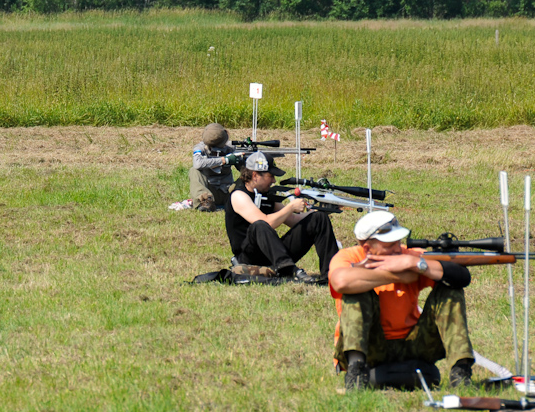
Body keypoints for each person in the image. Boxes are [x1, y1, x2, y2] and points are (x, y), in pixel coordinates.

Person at [328, 210, 475, 391]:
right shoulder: (349, 257)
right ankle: (356, 372)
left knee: (449, 289)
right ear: (367, 248)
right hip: (371, 346)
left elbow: (461, 277)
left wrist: (416, 265)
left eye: (398, 241)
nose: (397, 248)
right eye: (389, 245)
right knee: (356, 291)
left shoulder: (408, 257)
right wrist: (395, 275)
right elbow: (341, 281)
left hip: (413, 344)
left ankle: (461, 373)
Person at [224, 151, 339, 283]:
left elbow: (294, 220)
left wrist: (316, 212)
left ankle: (332, 274)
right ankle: (289, 270)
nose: (273, 181)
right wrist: (290, 208)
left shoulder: (266, 195)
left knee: (319, 219)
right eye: (270, 176)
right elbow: (266, 222)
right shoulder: (239, 195)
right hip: (249, 258)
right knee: (259, 225)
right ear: (255, 175)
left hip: (273, 254)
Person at [188, 123, 242, 211]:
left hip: (229, 191)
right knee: (194, 170)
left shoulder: (231, 148)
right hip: (209, 193)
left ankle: (248, 199)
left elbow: (244, 170)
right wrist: (224, 160)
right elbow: (197, 164)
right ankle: (205, 203)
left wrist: (242, 160)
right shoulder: (200, 148)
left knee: (249, 175)